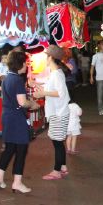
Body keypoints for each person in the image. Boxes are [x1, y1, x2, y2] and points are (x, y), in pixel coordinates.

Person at [0, 51, 39, 193]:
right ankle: (17, 182)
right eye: (25, 63)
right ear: (21, 64)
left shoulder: (7, 78)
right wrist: (32, 104)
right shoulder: (18, 80)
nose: (27, 65)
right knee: (21, 150)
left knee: (9, 148)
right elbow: (22, 102)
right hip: (17, 119)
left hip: (7, 116)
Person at [33, 45, 71, 180]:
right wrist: (39, 87)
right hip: (58, 112)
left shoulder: (57, 74)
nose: (45, 58)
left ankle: (56, 171)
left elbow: (59, 93)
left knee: (57, 142)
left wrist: (43, 92)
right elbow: (51, 90)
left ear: (50, 58)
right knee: (58, 141)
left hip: (59, 113)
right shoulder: (55, 73)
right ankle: (63, 167)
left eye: (46, 56)